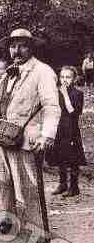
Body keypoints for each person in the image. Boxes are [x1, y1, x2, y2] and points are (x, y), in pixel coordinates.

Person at [0, 28, 60, 239]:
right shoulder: (9, 72)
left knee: (28, 186)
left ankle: (37, 233)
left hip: (27, 139)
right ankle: (9, 224)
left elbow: (52, 106)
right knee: (3, 182)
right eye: (12, 46)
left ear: (31, 47)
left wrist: (47, 135)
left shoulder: (43, 71)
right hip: (1, 138)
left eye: (22, 45)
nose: (16, 50)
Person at [46, 66, 86, 197]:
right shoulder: (55, 93)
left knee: (72, 158)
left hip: (71, 129)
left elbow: (73, 112)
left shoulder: (77, 94)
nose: (64, 80)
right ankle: (62, 184)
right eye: (62, 77)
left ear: (74, 79)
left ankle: (74, 187)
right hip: (59, 128)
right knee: (60, 156)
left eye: (68, 77)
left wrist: (64, 94)